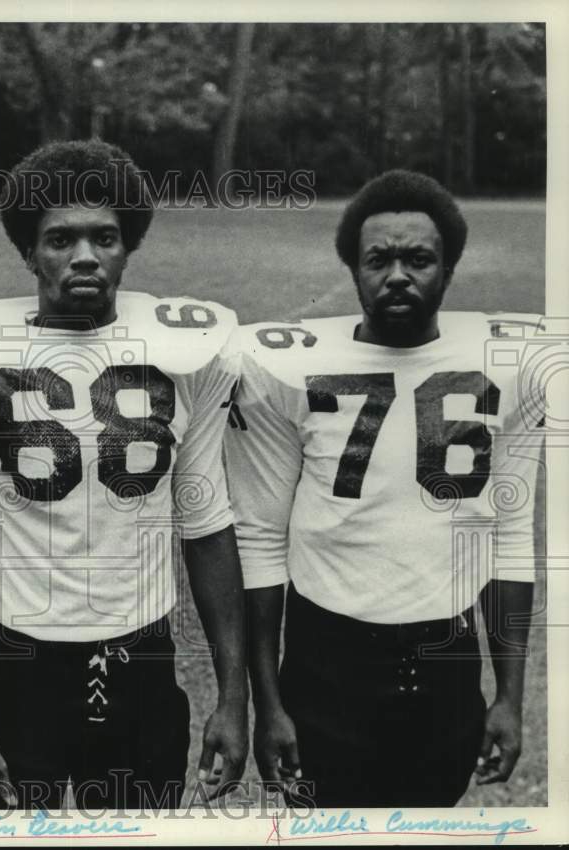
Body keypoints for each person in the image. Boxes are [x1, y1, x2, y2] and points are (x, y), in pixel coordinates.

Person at [0, 140, 248, 811]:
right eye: (60, 239)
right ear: (29, 253)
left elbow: (205, 522)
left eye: (105, 237)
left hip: (141, 650)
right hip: (14, 657)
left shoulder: (189, 351)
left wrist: (234, 697)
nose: (85, 255)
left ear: (128, 246)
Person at [225, 169, 543, 807]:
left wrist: (509, 697)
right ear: (353, 269)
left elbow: (508, 536)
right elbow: (259, 540)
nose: (398, 274)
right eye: (379, 259)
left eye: (419, 258)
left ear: (447, 268)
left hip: (448, 658)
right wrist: (269, 702)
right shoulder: (287, 372)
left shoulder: (508, 371)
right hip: (326, 658)